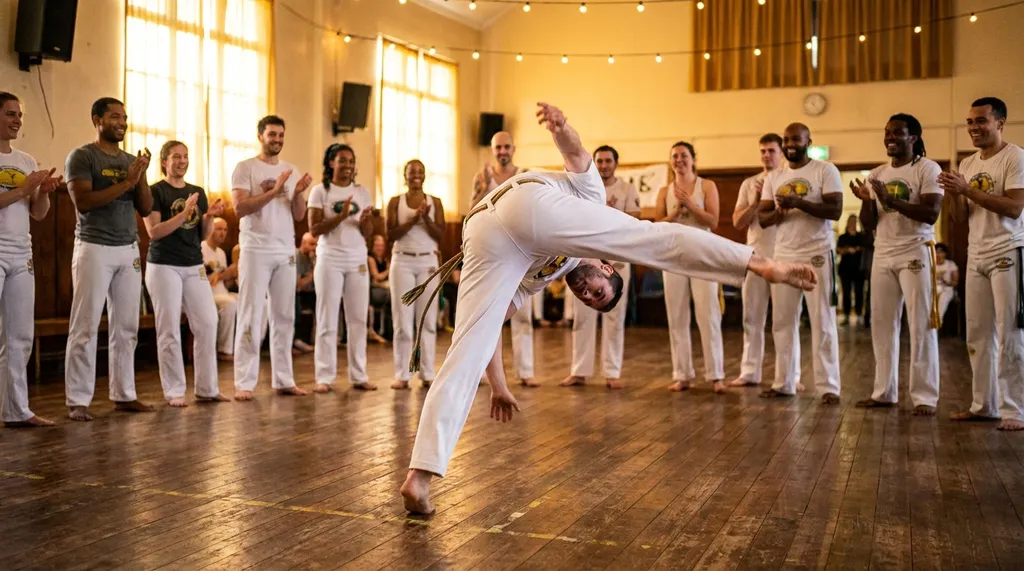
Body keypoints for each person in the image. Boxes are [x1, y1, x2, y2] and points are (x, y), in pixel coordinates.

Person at [399, 102, 818, 514]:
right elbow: (576, 154)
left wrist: (500, 385)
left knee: (464, 348)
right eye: (598, 292)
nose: (586, 294)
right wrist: (560, 126)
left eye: (588, 299)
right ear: (604, 266)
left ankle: (420, 477)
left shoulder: (538, 279)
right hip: (527, 204)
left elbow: (486, 334)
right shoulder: (590, 196)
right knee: (651, 239)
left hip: (483, 233)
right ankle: (757, 263)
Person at [64, 97, 155, 421]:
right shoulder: (83, 156)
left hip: (127, 248)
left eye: (125, 117)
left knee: (127, 325)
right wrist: (126, 182)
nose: (121, 121)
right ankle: (78, 400)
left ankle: (123, 394)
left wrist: (141, 176)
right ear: (97, 119)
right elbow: (84, 202)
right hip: (93, 247)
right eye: (114, 116)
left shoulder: (131, 161)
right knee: (86, 324)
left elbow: (144, 209)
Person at [939, 97, 1024, 431]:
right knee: (976, 333)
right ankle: (983, 405)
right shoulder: (968, 163)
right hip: (976, 254)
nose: (974, 128)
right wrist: (952, 193)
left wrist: (968, 190)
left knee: (1010, 333)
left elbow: (1016, 207)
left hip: (1008, 251)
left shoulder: (1015, 156)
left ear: (1000, 123)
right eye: (970, 122)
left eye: (981, 121)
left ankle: (1014, 409)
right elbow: (961, 217)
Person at [850, 114, 942, 416]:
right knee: (881, 325)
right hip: (884, 253)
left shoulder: (927, 168)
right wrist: (867, 199)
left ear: (913, 138)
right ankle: (884, 392)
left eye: (898, 133)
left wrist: (890, 199)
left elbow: (930, 214)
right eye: (887, 132)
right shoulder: (877, 173)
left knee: (921, 325)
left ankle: (925, 396)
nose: (890, 137)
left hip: (916, 250)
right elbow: (868, 225)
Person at [757, 122, 843, 404]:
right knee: (782, 321)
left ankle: (829, 386)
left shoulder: (825, 170)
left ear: (808, 141)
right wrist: (781, 211)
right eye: (787, 139)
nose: (791, 144)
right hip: (784, 254)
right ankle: (784, 382)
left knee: (823, 321)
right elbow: (763, 218)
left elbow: (835, 210)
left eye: (796, 139)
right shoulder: (774, 176)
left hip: (817, 253)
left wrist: (798, 202)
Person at [230, 115, 312, 401]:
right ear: (260, 135)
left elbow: (299, 215)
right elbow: (239, 208)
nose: (277, 140)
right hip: (255, 249)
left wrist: (298, 193)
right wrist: (275, 191)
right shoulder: (245, 168)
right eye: (272, 134)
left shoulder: (291, 169)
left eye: (280, 135)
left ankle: (283, 379)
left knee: (285, 315)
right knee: (251, 313)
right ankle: (245, 381)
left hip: (284, 250)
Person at [142, 141, 230, 407]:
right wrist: (184, 213)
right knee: (168, 328)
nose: (182, 160)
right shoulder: (155, 191)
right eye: (176, 156)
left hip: (193, 265)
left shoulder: (197, 192)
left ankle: (207, 388)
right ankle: (174, 389)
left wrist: (210, 216)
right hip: (164, 265)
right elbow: (153, 231)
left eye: (186, 156)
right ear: (164, 163)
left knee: (207, 322)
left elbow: (202, 235)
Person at [0, 91, 61, 428]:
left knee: (20, 335)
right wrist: (24, 190)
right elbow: (18, 195)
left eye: (19, 115)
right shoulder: (21, 172)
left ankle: (16, 410)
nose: (17, 121)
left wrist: (43, 193)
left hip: (21, 254)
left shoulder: (25, 160)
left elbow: (37, 214)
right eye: (10, 114)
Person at [562, 145, 640, 389]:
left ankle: (612, 371)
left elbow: (635, 222)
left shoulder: (626, 189)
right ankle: (579, 371)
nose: (604, 165)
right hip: (585, 261)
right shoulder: (585, 186)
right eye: (600, 161)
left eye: (608, 161)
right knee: (582, 319)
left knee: (614, 318)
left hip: (616, 258)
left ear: (616, 162)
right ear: (595, 163)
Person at [655, 141, 726, 393]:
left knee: (708, 314)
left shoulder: (706, 185)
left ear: (693, 159)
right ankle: (682, 374)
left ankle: (716, 375)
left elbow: (714, 220)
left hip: (703, 254)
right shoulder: (665, 191)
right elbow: (658, 224)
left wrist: (692, 206)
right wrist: (675, 214)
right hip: (673, 256)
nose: (679, 160)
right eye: (674, 156)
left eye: (684, 155)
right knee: (676, 316)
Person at [473, 131, 540, 387]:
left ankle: (525, 371)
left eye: (506, 147)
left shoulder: (525, 174)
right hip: (494, 252)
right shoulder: (481, 177)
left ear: (514, 148)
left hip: (523, 251)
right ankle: (482, 370)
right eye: (498, 147)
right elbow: (473, 211)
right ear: (492, 150)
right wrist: (481, 189)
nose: (502, 151)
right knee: (488, 313)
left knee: (523, 315)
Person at [307, 144, 376, 392]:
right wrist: (341, 215)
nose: (347, 165)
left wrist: (366, 222)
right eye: (342, 161)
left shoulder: (362, 192)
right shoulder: (320, 191)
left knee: (358, 318)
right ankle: (324, 377)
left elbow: (368, 233)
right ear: (331, 163)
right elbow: (314, 229)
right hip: (330, 259)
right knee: (327, 317)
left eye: (350, 161)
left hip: (357, 258)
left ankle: (359, 375)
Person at [729, 133, 783, 388]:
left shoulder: (788, 180)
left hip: (784, 255)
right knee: (752, 317)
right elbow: (738, 222)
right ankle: (750, 371)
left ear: (781, 152)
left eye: (771, 150)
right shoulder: (750, 183)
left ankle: (788, 375)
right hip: (756, 255)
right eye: (762, 151)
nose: (766, 155)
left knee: (785, 319)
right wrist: (755, 203)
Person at [387, 159, 446, 389]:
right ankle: (402, 374)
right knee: (402, 321)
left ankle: (427, 372)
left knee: (428, 320)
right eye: (412, 172)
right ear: (405, 175)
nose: (416, 175)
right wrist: (413, 219)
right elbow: (390, 234)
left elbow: (440, 234)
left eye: (420, 172)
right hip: (402, 260)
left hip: (428, 262)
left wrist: (426, 217)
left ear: (424, 175)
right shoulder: (395, 202)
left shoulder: (435, 202)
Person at [202, 217, 238, 361]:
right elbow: (205, 280)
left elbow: (225, 284)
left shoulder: (222, 253)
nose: (222, 233)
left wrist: (232, 276)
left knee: (257, 302)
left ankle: (251, 345)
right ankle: (224, 350)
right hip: (208, 294)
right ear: (210, 229)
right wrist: (225, 275)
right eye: (218, 229)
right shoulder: (202, 248)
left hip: (223, 292)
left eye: (225, 230)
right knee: (229, 304)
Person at [836, 215, 865, 325]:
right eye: (851, 221)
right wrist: (849, 250)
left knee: (859, 292)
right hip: (845, 269)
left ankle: (858, 315)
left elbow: (863, 248)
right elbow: (838, 250)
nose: (853, 223)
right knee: (846, 293)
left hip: (858, 269)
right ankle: (846, 315)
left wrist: (855, 249)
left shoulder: (860, 237)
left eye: (854, 221)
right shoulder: (843, 237)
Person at [293, 232, 317, 354]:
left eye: (316, 245)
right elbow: (298, 284)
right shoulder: (297, 256)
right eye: (311, 244)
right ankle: (297, 340)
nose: (314, 248)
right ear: (303, 243)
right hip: (295, 292)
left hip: (308, 292)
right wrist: (313, 273)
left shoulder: (311, 258)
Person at [368, 234, 390, 343]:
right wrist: (388, 270)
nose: (380, 248)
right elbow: (376, 277)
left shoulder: (385, 259)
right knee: (385, 295)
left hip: (383, 286)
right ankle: (375, 331)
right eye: (377, 245)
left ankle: (389, 331)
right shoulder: (370, 258)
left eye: (381, 245)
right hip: (371, 289)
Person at [935, 243, 959, 325]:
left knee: (943, 297)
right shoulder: (930, 264)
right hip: (933, 288)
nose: (938, 254)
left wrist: (944, 279)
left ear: (945, 253)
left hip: (947, 287)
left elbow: (955, 282)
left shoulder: (950, 264)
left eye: (940, 252)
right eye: (936, 252)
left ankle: (938, 320)